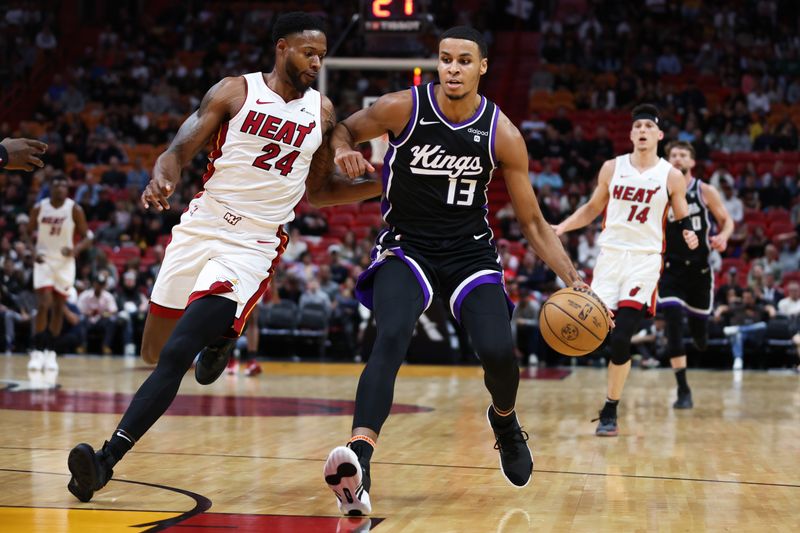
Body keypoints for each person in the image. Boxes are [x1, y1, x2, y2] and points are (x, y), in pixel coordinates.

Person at [66, 12, 382, 503]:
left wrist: (382, 186)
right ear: (281, 48)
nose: (316, 62)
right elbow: (177, 150)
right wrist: (162, 178)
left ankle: (106, 461)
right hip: (201, 225)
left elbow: (318, 193)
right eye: (307, 52)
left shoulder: (321, 112)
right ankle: (225, 335)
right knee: (154, 350)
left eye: (321, 54)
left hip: (252, 244)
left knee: (173, 357)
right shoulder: (234, 92)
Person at [323, 26, 586, 516]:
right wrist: (341, 149)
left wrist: (572, 278)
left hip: (470, 252)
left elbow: (531, 220)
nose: (453, 69)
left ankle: (504, 421)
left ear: (482, 66)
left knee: (499, 354)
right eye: (446, 59)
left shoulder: (501, 133)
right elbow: (343, 127)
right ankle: (359, 457)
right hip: (408, 248)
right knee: (392, 333)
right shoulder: (402, 107)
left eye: (464, 61)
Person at [555, 104, 698, 437]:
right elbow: (592, 208)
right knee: (605, 339)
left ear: (659, 135)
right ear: (632, 134)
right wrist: (561, 227)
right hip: (609, 260)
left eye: (649, 126)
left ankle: (610, 408)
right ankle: (618, 380)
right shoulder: (612, 168)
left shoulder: (671, 176)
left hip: (644, 261)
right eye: (638, 126)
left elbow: (682, 217)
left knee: (621, 337)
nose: (643, 131)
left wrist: (689, 232)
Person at [656, 141, 733, 409]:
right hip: (671, 269)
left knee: (701, 337)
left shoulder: (704, 190)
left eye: (683, 155)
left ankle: (701, 335)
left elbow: (727, 220)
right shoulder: (659, 190)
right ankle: (683, 389)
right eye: (673, 155)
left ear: (692, 161)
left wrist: (723, 236)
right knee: (673, 320)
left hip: (700, 271)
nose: (677, 158)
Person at [27, 175, 92, 371]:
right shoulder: (40, 207)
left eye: (64, 185)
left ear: (68, 189)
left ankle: (50, 352)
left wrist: (76, 249)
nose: (61, 188)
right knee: (43, 304)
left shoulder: (74, 209)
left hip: (65, 263)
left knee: (57, 308)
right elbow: (26, 232)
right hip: (44, 260)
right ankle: (37, 350)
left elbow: (88, 235)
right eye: (57, 185)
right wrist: (33, 251)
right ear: (50, 188)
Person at [717, 288, 776, 369]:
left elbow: (769, 308)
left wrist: (772, 310)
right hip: (741, 337)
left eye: (748, 298)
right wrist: (718, 312)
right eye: (745, 298)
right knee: (738, 335)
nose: (746, 300)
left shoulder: (758, 308)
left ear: (753, 298)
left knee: (763, 326)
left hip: (754, 337)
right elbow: (723, 308)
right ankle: (738, 359)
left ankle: (738, 328)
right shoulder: (737, 307)